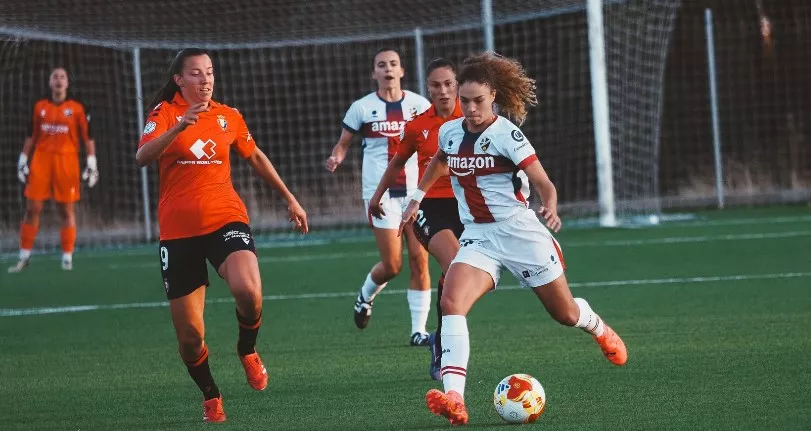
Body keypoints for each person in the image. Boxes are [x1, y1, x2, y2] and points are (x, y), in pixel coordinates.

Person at [399, 52, 628, 426]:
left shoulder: (507, 134)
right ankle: (454, 397)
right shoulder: (450, 131)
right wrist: (416, 198)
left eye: (478, 101)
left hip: (520, 233)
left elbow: (544, 184)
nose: (470, 109)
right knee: (451, 300)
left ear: (493, 98)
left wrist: (550, 207)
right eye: (465, 100)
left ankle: (598, 327)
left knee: (564, 313)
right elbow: (439, 160)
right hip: (478, 236)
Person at [135, 48, 308, 423]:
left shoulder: (228, 117)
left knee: (249, 289)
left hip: (225, 217)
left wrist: (290, 198)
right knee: (191, 337)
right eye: (196, 74)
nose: (206, 80)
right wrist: (180, 127)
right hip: (178, 233)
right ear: (179, 80)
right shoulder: (164, 114)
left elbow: (256, 156)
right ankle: (211, 395)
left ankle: (247, 349)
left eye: (209, 72)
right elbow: (142, 157)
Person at [325, 48, 434, 345]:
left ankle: (418, 331)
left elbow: (433, 139)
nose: (388, 69)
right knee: (393, 265)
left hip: (415, 192)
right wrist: (336, 157)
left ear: (402, 71)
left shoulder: (419, 105)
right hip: (380, 194)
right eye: (382, 65)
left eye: (394, 64)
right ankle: (365, 296)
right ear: (374, 73)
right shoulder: (361, 108)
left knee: (419, 261)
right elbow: (343, 144)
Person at [368, 58, 463, 379]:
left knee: (460, 277)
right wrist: (376, 196)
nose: (443, 91)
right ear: (428, 89)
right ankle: (445, 346)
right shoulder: (419, 126)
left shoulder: (475, 117)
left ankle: (439, 335)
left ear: (459, 86)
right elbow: (396, 164)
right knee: (454, 266)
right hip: (428, 207)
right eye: (436, 85)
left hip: (469, 208)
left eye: (449, 84)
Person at [9, 67, 99, 273]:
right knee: (33, 208)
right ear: (50, 82)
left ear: (67, 82)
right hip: (41, 161)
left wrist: (92, 163)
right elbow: (31, 135)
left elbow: (88, 137)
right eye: (55, 77)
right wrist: (23, 159)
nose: (58, 80)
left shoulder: (78, 107)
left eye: (62, 77)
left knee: (66, 210)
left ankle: (67, 257)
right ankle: (24, 257)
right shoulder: (39, 106)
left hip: (67, 163)